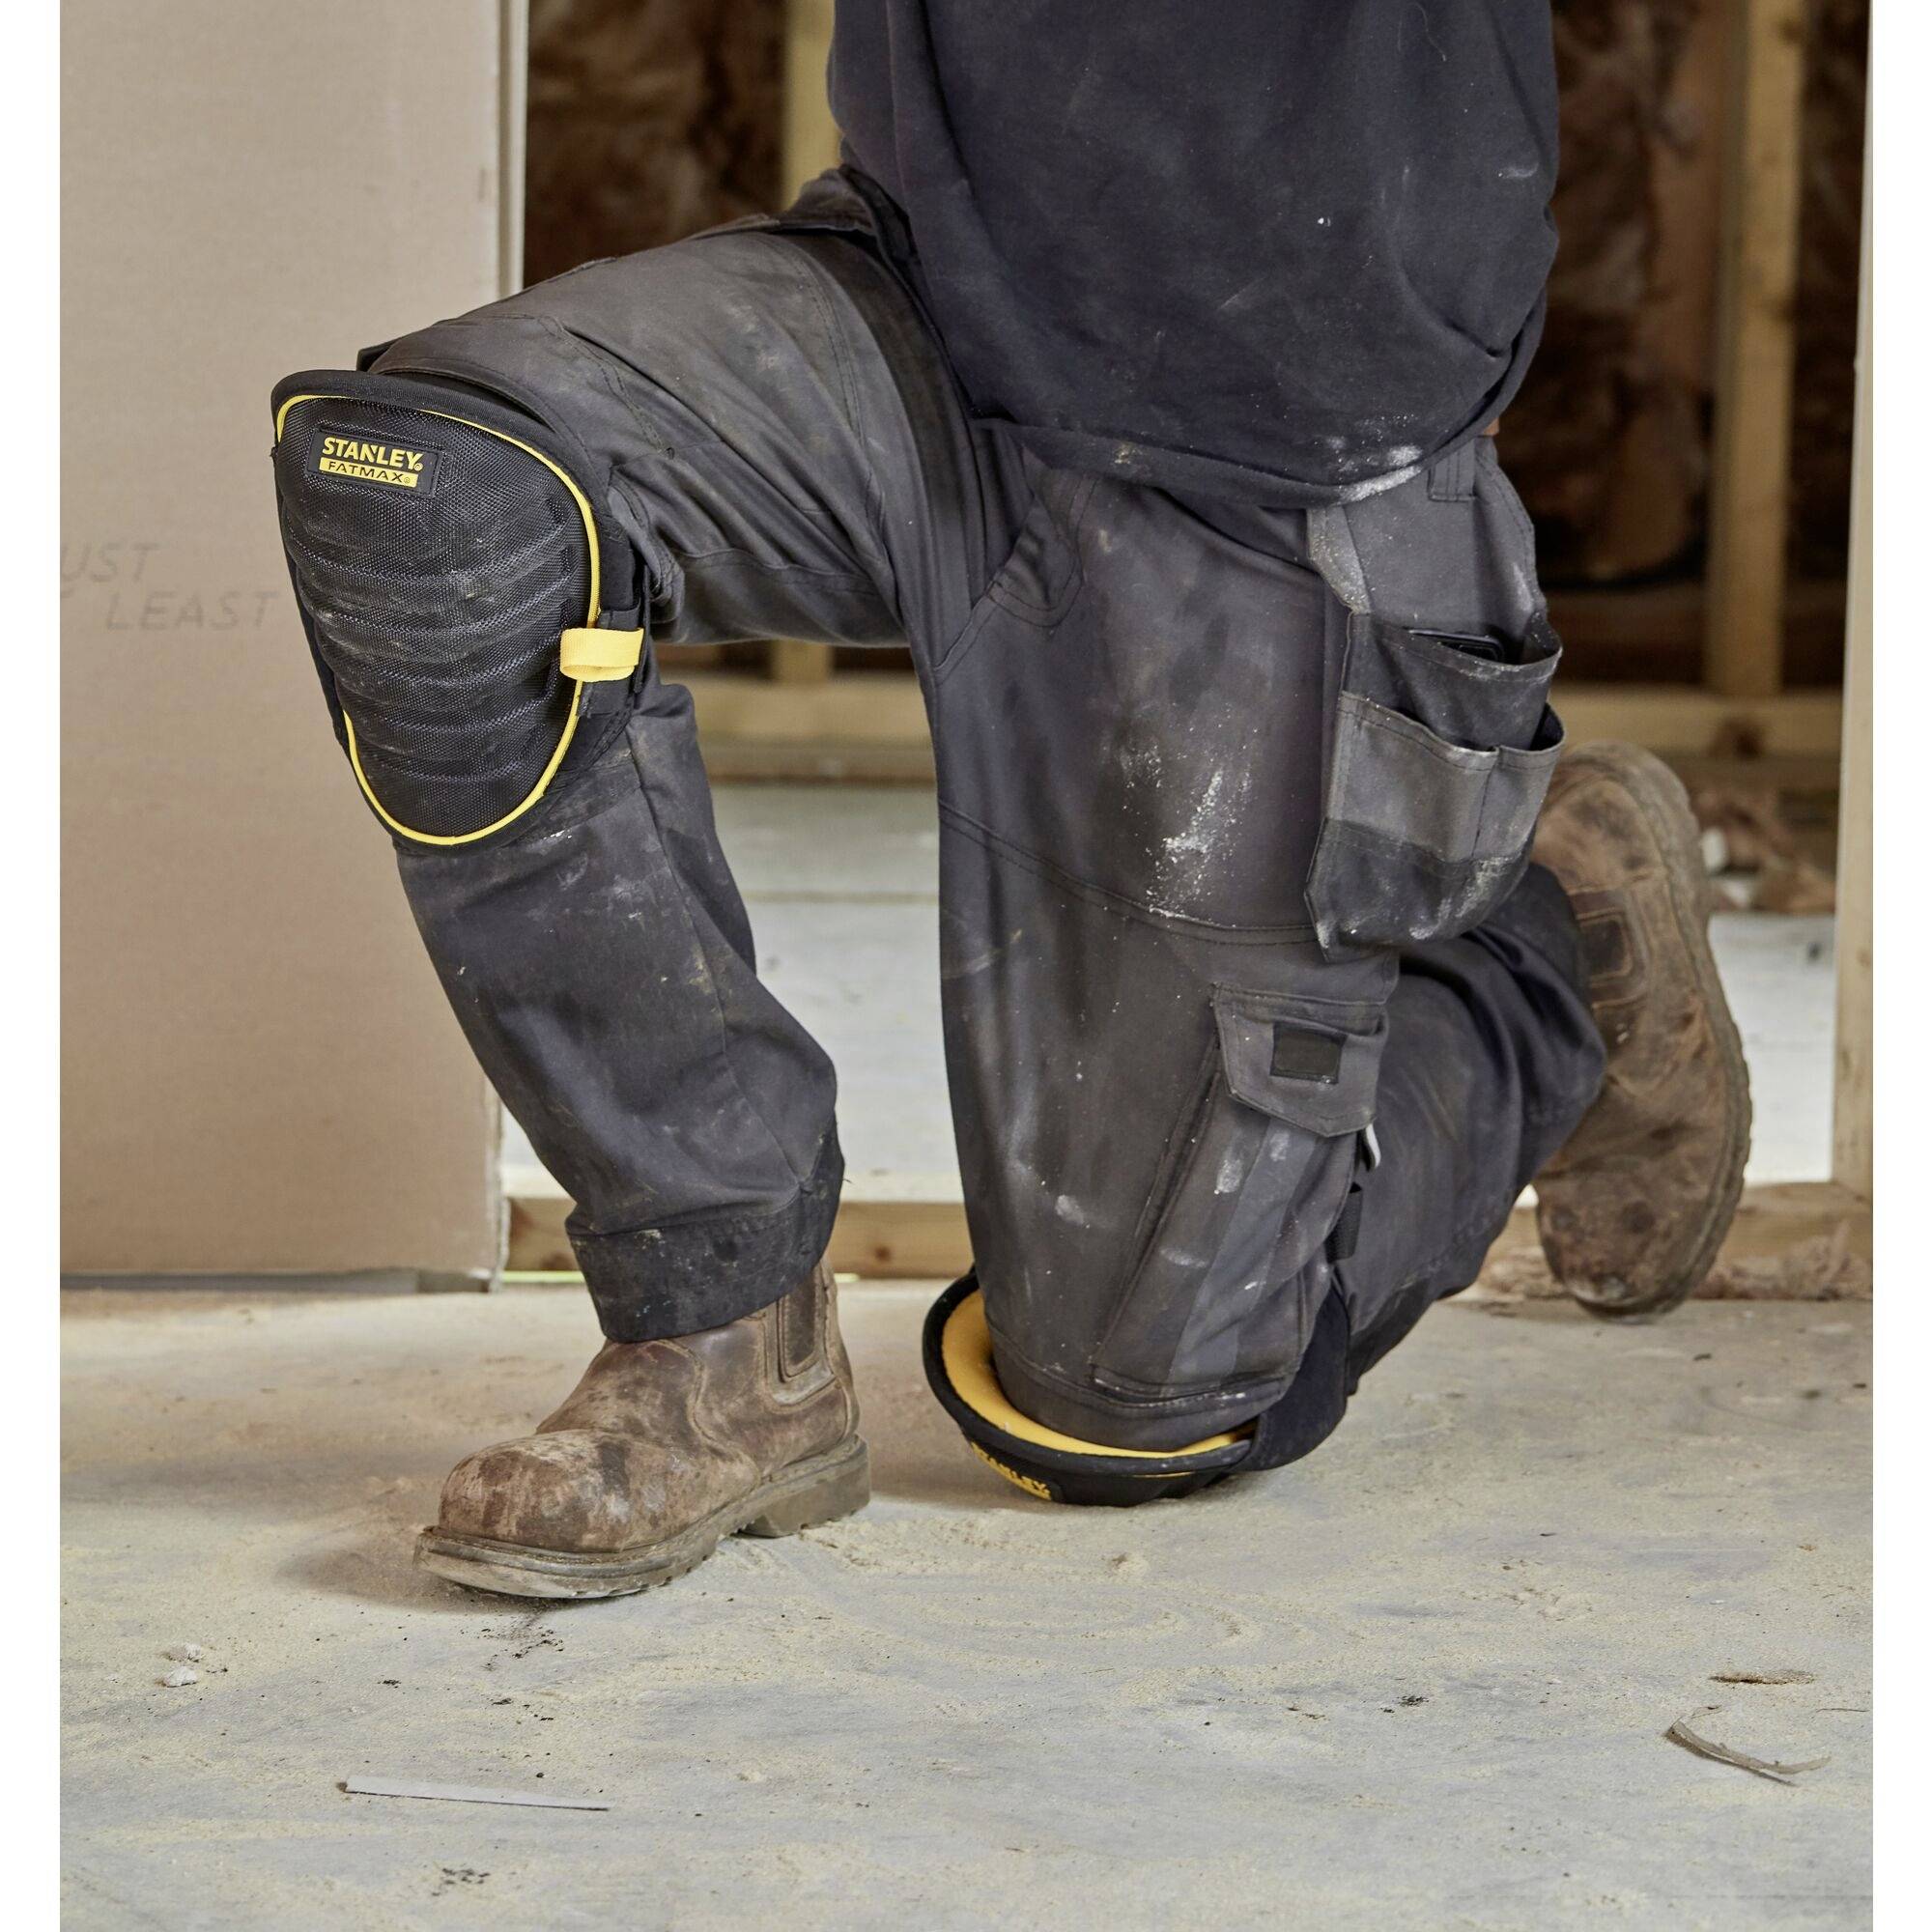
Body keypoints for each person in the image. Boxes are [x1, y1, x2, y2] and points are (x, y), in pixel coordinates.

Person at [268, 1, 1748, 1596]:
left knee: (1130, 1395)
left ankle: (1545, 954)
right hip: (934, 309)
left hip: (1279, 431)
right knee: (437, 480)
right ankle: (717, 1310)